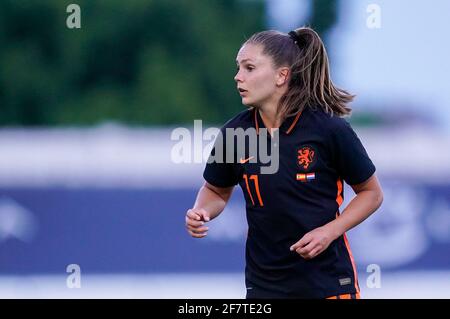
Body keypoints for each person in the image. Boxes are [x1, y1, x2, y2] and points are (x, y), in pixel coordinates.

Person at [185, 27, 383, 299]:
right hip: (264, 288)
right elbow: (216, 191)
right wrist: (201, 211)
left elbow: (371, 193)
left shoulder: (328, 130)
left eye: (249, 68)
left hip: (327, 284)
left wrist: (329, 231)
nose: (238, 76)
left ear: (282, 75)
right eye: (238, 68)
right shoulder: (236, 135)